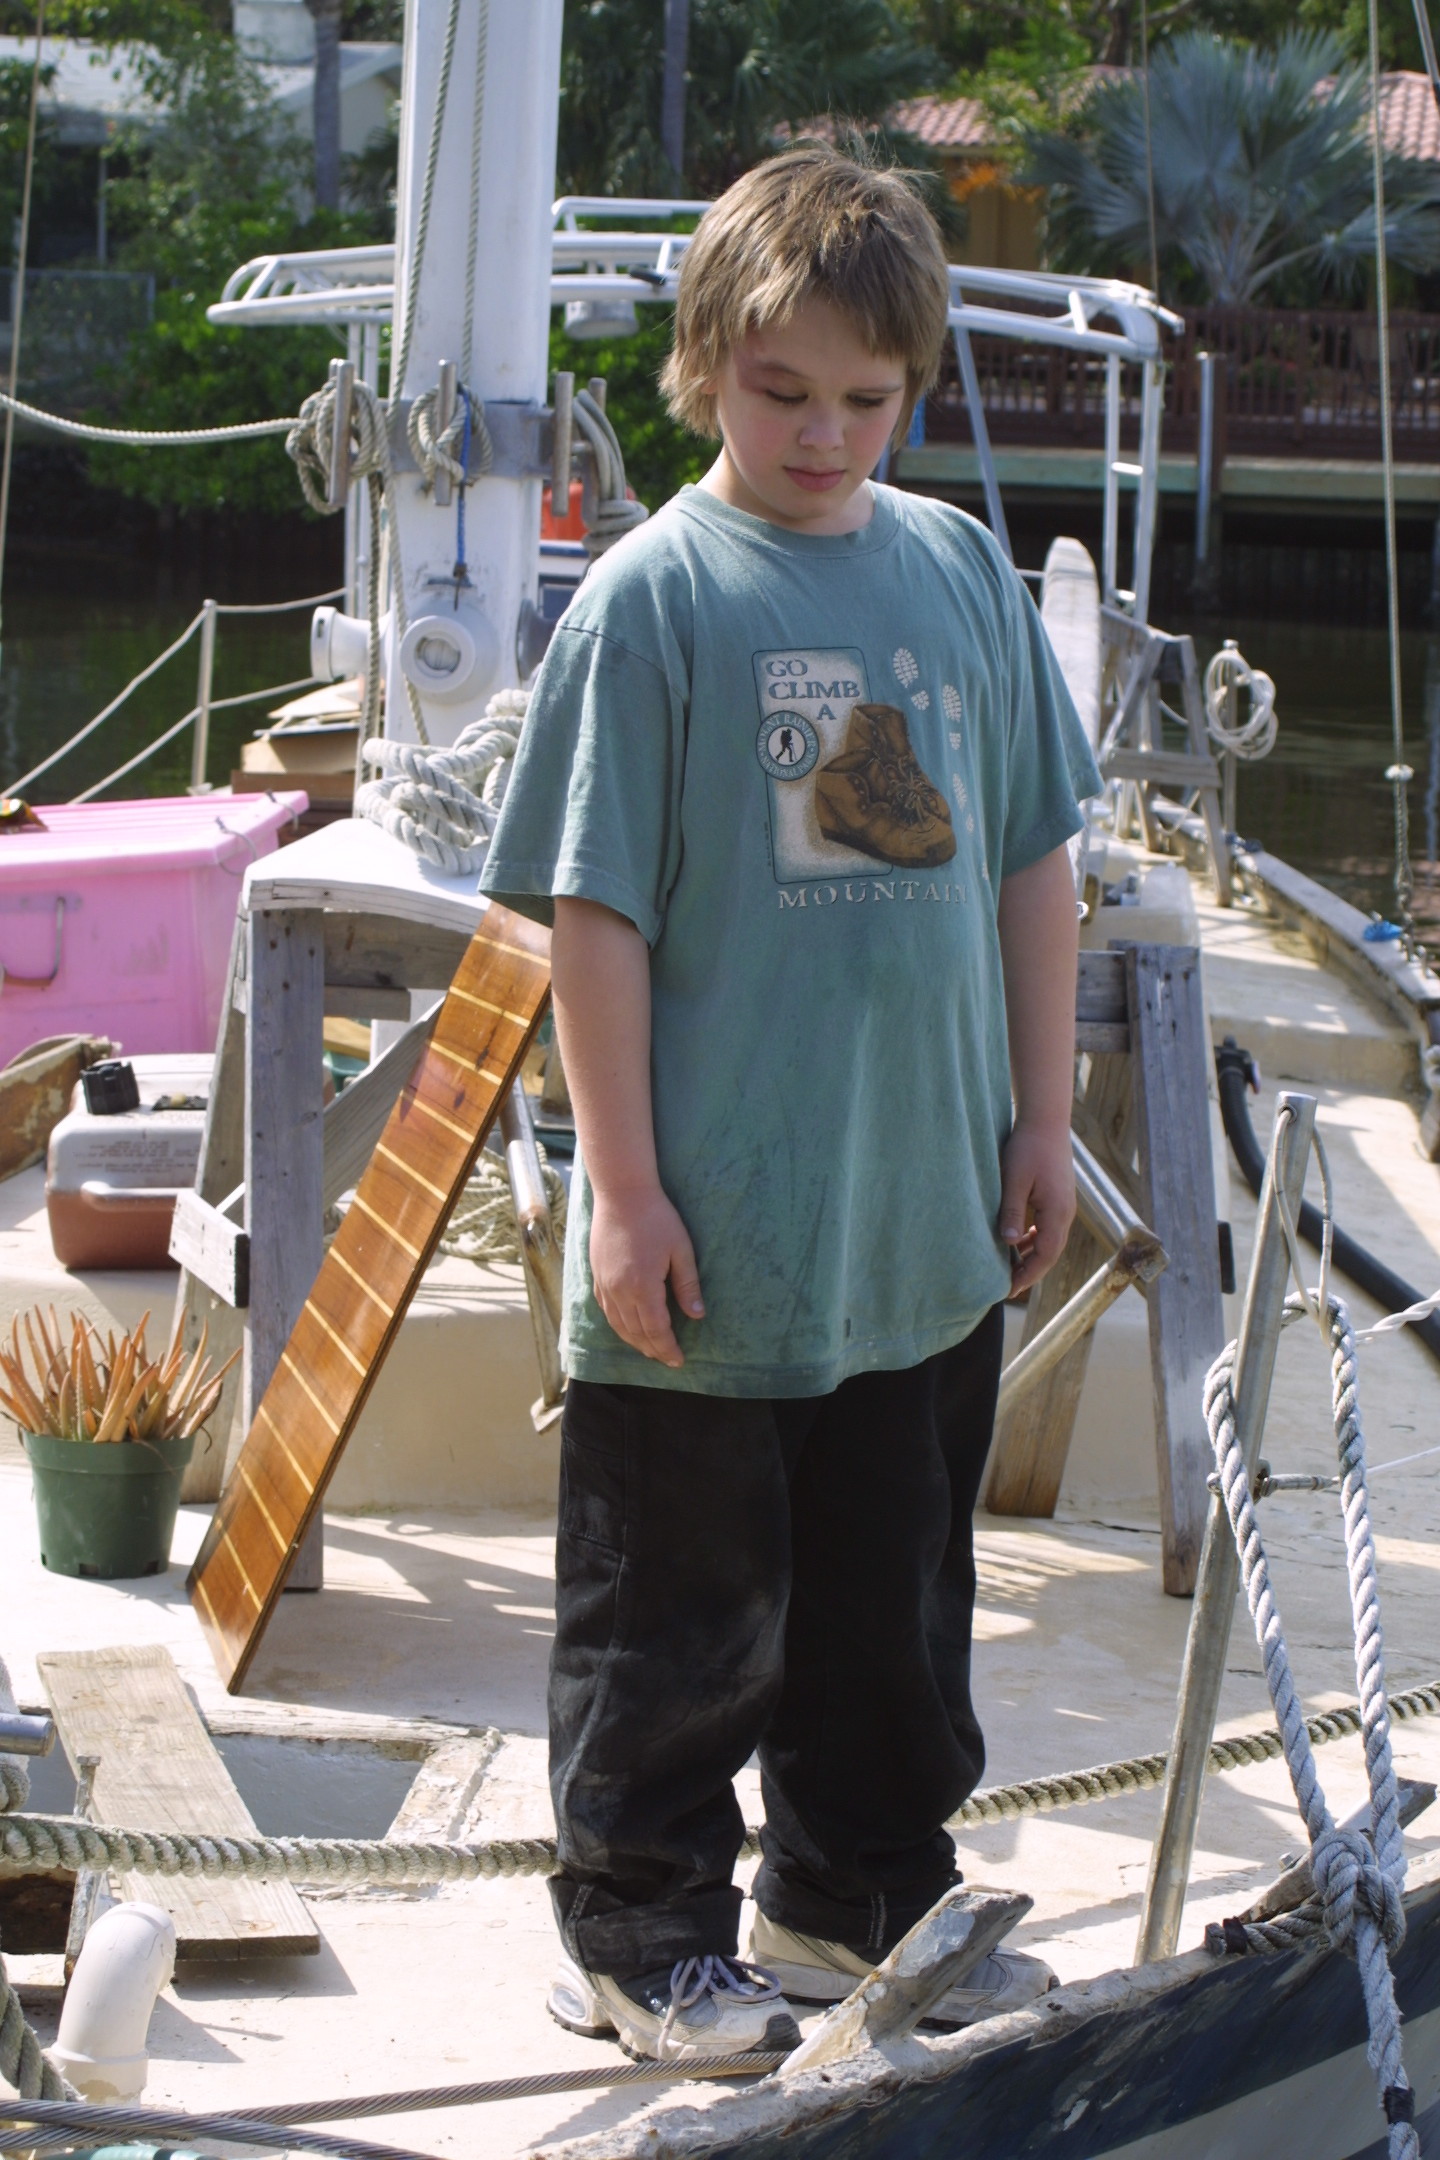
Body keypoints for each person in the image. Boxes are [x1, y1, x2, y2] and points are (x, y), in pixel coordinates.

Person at [480, 143, 1103, 2066]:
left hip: (916, 1222)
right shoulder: (651, 603)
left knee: (893, 1607)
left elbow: (1033, 859)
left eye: (865, 398)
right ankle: (639, 1931)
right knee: (678, 1615)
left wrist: (1041, 1117)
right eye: (781, 392)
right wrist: (623, 1191)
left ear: (910, 390)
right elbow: (594, 917)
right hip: (714, 1240)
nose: (825, 435)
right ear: (704, 370)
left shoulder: (960, 572)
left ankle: (854, 1896)